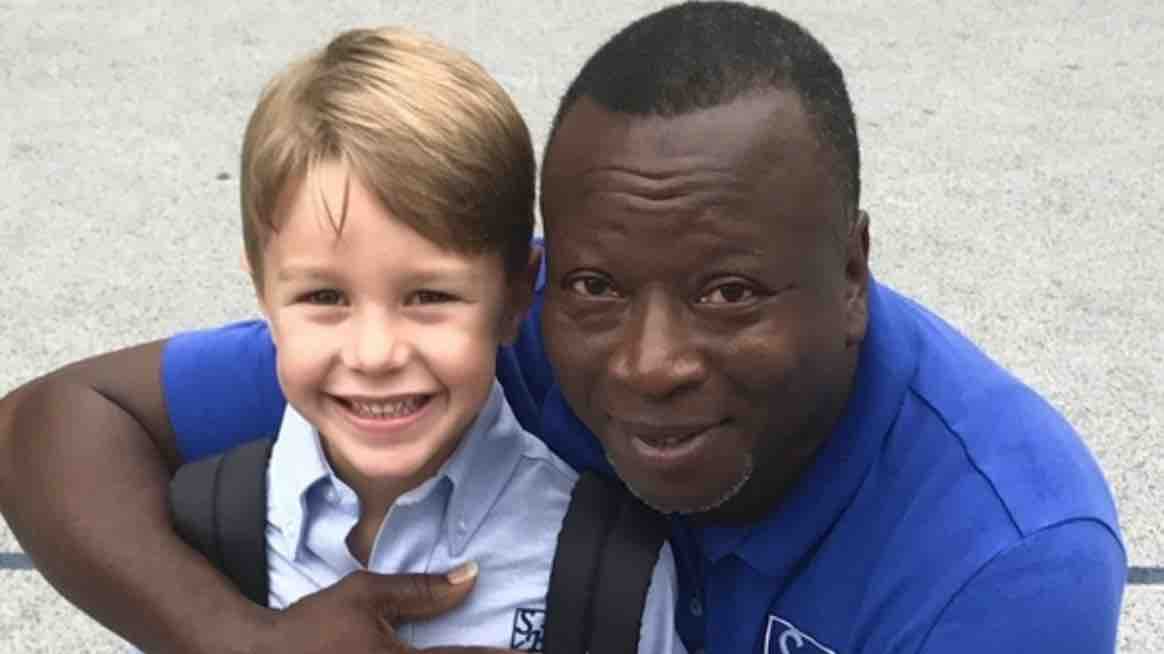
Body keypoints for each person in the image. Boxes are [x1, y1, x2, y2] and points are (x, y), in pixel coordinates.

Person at [0, 2, 1126, 653]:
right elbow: (55, 422)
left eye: (729, 293)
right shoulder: (482, 341)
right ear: (535, 279)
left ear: (851, 274)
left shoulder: (1007, 556)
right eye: (596, 288)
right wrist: (235, 641)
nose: (650, 362)